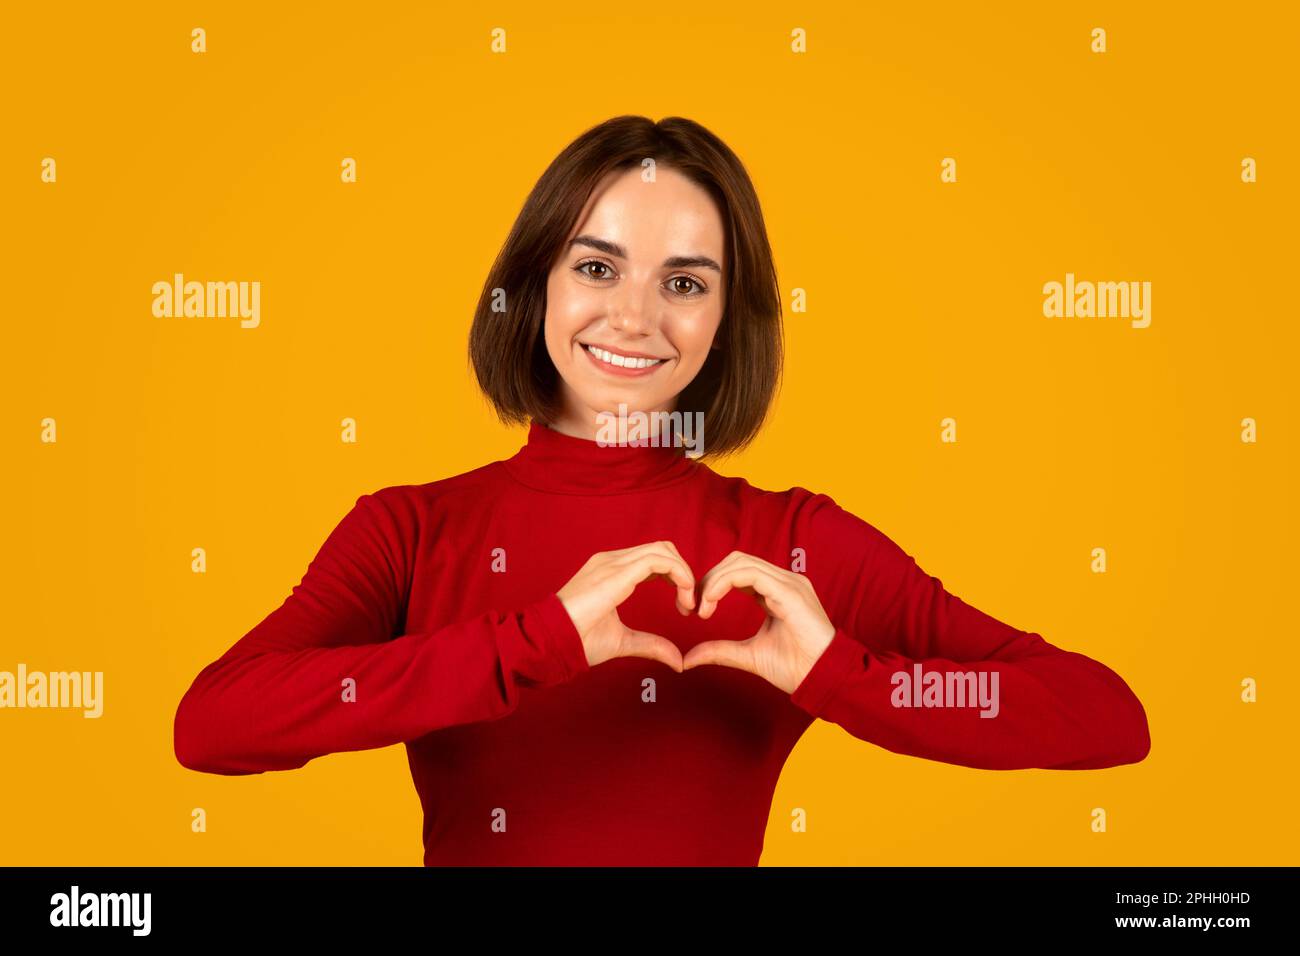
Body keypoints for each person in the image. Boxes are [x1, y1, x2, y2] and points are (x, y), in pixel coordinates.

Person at [173, 115, 1150, 865]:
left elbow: (1102, 713)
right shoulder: (412, 531)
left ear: (728, 318)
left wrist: (839, 674)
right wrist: (536, 641)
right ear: (536, 285)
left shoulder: (789, 547)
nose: (635, 315)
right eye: (597, 265)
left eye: (686, 282)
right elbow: (214, 722)